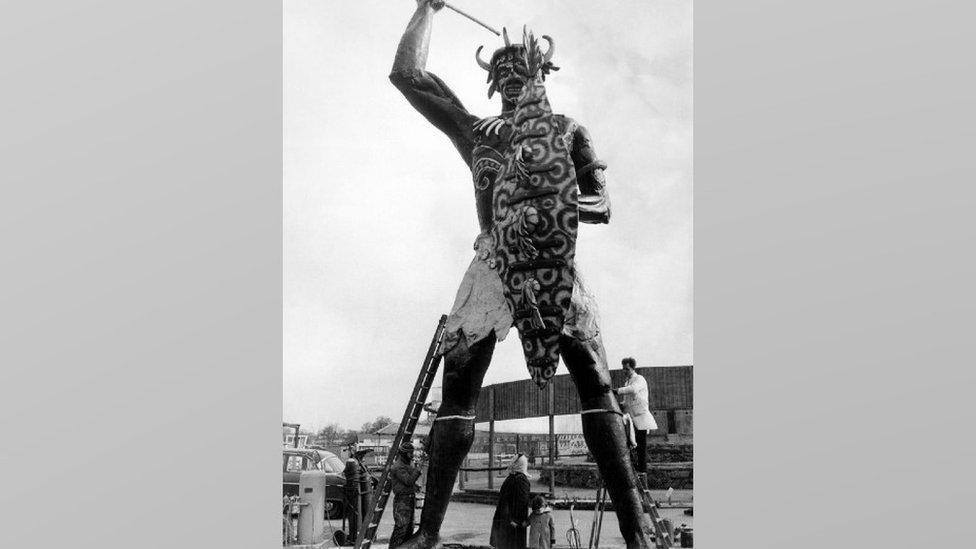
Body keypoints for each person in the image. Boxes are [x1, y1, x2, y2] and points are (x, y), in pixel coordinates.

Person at [389, 2, 653, 547]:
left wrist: (542, 204)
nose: (511, 76)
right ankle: (429, 532)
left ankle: (636, 529)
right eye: (501, 71)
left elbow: (600, 202)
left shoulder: (566, 129)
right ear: (490, 82)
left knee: (594, 383)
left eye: (521, 69)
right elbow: (408, 76)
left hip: (555, 263)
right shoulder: (476, 131)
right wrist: (424, 9)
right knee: (458, 389)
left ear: (539, 73)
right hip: (490, 263)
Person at [613, 357, 657, 473]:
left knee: (641, 447)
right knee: (632, 446)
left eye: (627, 369)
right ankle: (636, 470)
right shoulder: (627, 382)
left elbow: (633, 390)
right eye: (623, 369)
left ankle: (642, 472)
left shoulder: (639, 379)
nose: (624, 371)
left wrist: (616, 391)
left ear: (633, 368)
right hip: (631, 419)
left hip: (641, 418)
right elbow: (627, 402)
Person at [491, 454, 531, 549]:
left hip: (505, 521)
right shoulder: (522, 481)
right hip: (514, 524)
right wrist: (517, 521)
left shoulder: (509, 479)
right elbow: (521, 503)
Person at [390, 442, 422, 548]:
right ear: (404, 454)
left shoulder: (406, 464)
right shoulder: (398, 466)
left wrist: (415, 486)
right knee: (401, 528)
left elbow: (408, 481)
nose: (412, 455)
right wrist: (418, 469)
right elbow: (408, 481)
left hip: (408, 498)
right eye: (410, 453)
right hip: (402, 501)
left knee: (409, 528)